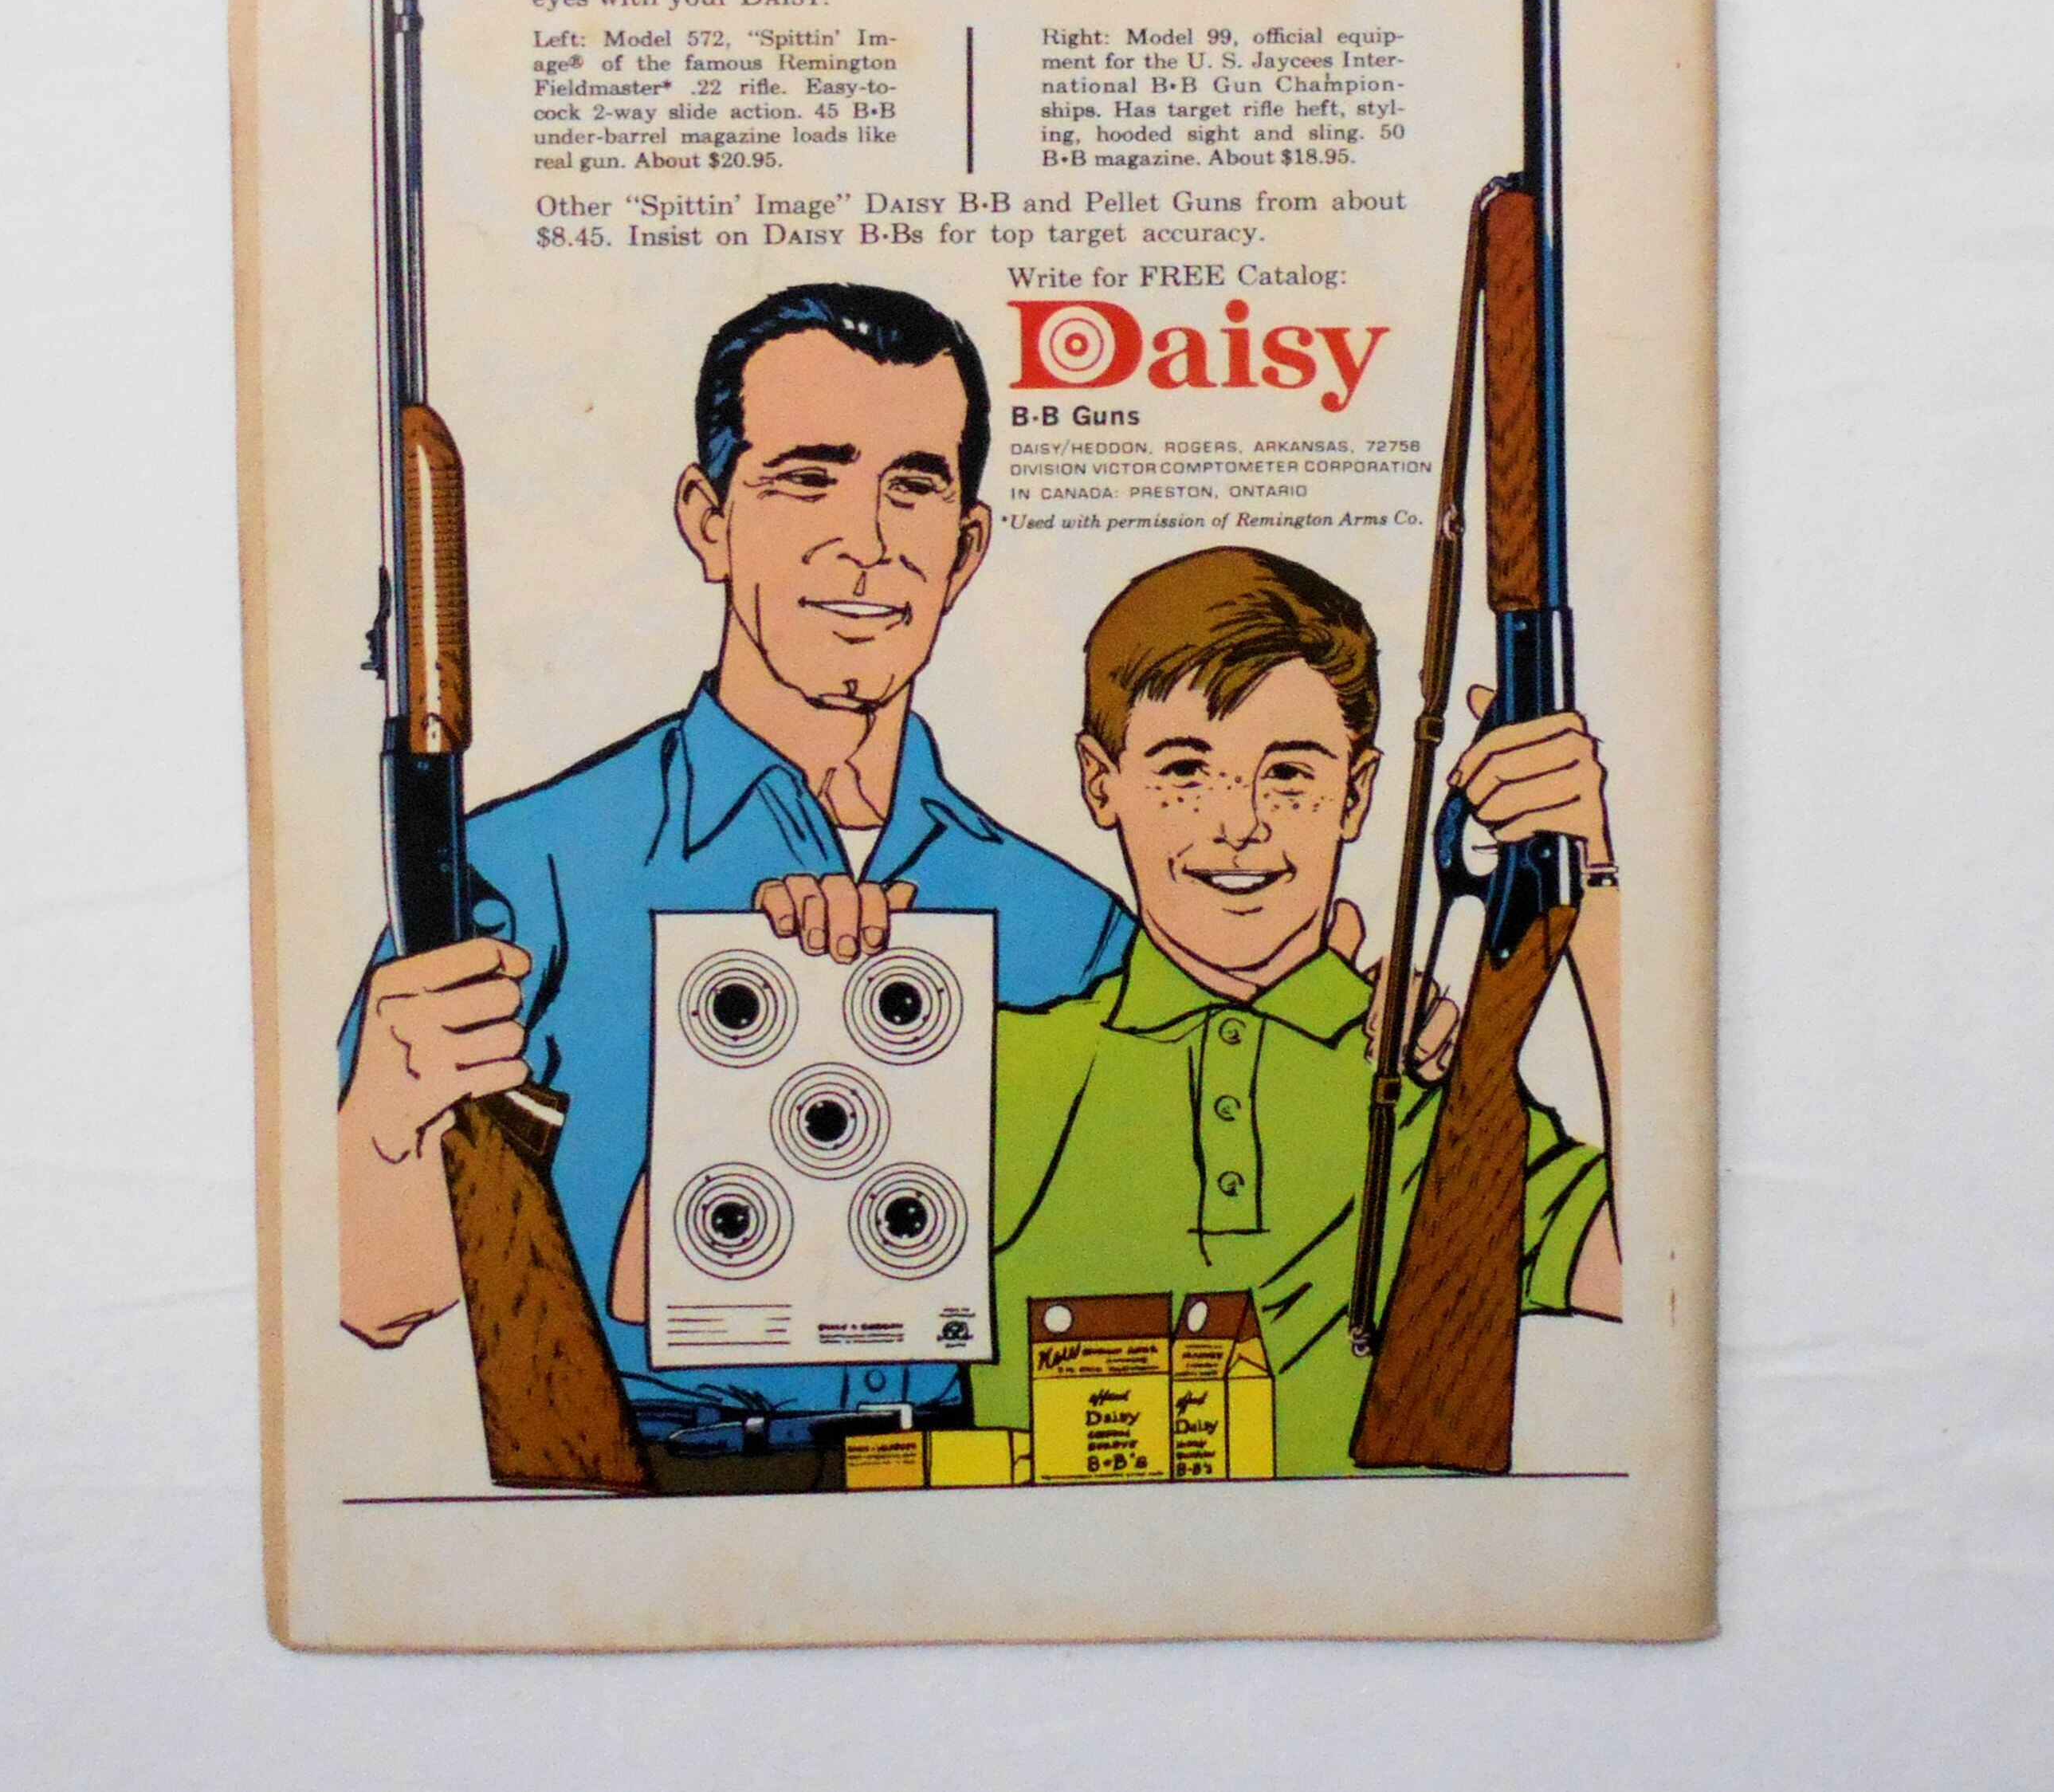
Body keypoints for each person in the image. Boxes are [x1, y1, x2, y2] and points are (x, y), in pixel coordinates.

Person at [336, 284, 1132, 1460]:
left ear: (966, 546)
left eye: (912, 486)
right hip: (650, 1485)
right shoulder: (515, 874)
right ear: (707, 519)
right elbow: (375, 1300)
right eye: (808, 478)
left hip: (968, 1487)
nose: (867, 540)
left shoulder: (1076, 924)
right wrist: (381, 1133)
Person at [965, 545, 1620, 1476]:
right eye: (1185, 768)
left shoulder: (1432, 1084)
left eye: (1289, 773)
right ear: (1099, 780)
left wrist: (1590, 878)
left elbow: (1646, 1267)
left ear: (1358, 791)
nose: (1240, 824)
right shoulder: (1000, 1067)